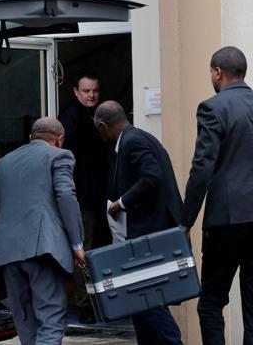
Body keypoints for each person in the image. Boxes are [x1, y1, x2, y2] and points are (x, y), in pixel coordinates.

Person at [180, 46, 253, 345]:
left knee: (211, 301)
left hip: (227, 218)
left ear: (217, 72)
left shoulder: (212, 107)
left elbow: (202, 166)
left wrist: (186, 220)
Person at [0, 117, 86, 345]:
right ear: (59, 139)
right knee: (51, 319)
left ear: (31, 137)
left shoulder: (3, 162)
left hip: (7, 249)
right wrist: (77, 244)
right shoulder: (59, 155)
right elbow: (65, 197)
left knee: (25, 320)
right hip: (42, 249)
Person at [95, 101, 184, 345]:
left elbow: (151, 176)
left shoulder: (133, 141)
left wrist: (121, 203)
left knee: (145, 297)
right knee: (140, 301)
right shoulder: (138, 138)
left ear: (103, 126)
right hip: (150, 230)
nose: (101, 137)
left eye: (99, 131)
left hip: (149, 233)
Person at [57, 72, 110, 321]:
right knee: (82, 252)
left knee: (93, 250)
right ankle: (85, 305)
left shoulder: (96, 116)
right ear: (76, 92)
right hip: (80, 199)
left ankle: (97, 301)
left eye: (95, 91)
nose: (91, 95)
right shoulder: (70, 120)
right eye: (86, 91)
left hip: (96, 198)